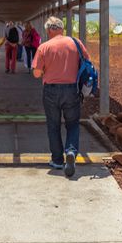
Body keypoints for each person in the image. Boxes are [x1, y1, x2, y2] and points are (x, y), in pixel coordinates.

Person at [32, 16, 90, 177]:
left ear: (49, 29)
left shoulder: (44, 47)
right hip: (72, 90)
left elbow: (37, 73)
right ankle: (71, 151)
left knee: (53, 125)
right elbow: (87, 61)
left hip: (51, 90)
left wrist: (45, 70)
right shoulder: (76, 43)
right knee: (72, 124)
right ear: (61, 28)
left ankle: (57, 160)